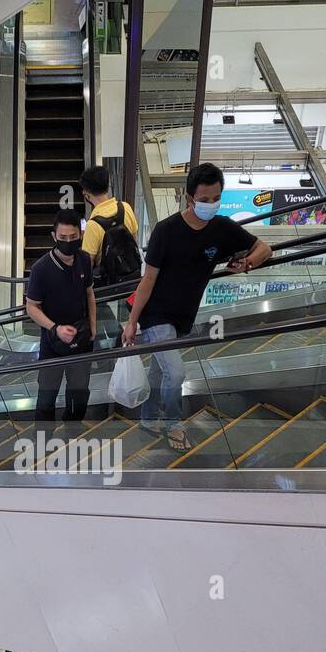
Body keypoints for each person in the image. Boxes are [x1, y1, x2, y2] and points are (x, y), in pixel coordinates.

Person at [121, 162, 271, 451]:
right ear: (189, 198)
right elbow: (148, 280)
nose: (211, 205)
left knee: (159, 371)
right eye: (204, 200)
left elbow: (265, 248)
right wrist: (132, 323)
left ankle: (148, 418)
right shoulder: (166, 231)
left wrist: (248, 263)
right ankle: (172, 424)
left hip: (183, 316)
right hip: (155, 314)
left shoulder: (222, 229)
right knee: (175, 373)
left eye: (216, 198)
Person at [25, 209, 97, 424]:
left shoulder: (84, 259)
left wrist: (93, 326)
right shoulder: (41, 269)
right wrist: (55, 328)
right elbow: (31, 307)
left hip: (82, 339)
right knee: (47, 398)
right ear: (54, 236)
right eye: (63, 238)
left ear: (80, 234)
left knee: (79, 394)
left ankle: (72, 434)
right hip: (52, 345)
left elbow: (89, 292)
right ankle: (44, 444)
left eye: (73, 237)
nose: (68, 242)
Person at [79, 164, 139, 282]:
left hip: (109, 285)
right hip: (132, 277)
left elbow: (87, 264)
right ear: (107, 185)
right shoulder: (125, 208)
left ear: (86, 193)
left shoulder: (92, 225)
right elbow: (133, 238)